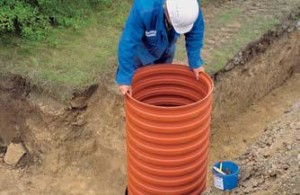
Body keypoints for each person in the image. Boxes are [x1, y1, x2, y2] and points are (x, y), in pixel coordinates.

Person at [115, 0, 205, 95]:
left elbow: (195, 32)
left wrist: (195, 62)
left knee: (161, 81)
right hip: (142, 50)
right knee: (138, 84)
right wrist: (125, 78)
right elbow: (128, 42)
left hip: (167, 47)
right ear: (167, 11)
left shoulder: (190, 7)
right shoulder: (144, 8)